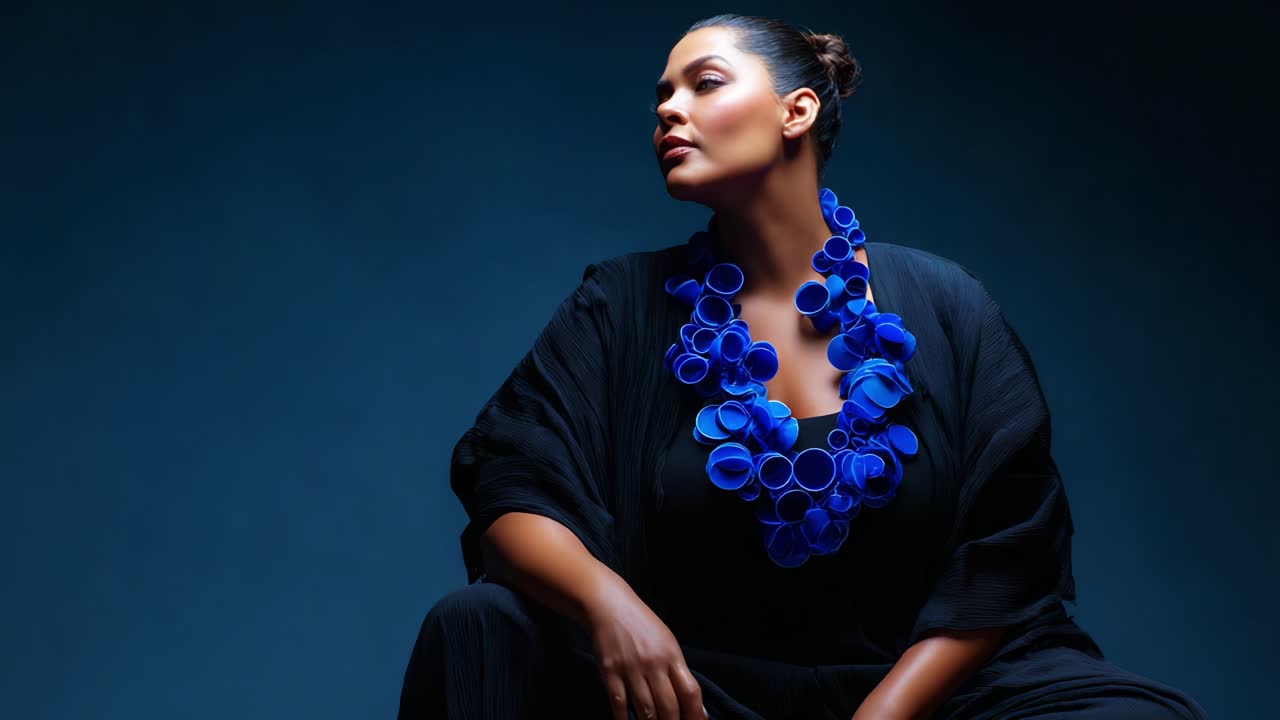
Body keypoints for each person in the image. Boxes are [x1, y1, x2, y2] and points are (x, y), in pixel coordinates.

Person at [397, 13, 1210, 720]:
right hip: (694, 694)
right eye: (661, 97)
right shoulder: (617, 306)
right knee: (476, 627)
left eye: (704, 83)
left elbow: (1010, 545)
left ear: (798, 110)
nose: (669, 109)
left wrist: (885, 713)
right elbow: (513, 482)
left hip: (924, 697)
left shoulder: (947, 303)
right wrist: (611, 606)